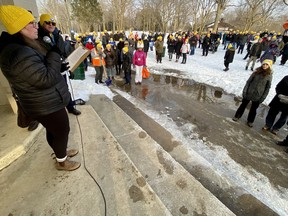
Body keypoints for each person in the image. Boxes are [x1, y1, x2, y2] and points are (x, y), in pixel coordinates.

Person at [0, 5, 80, 170]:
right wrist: (55, 55)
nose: (37, 26)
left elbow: (39, 70)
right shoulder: (18, 54)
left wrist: (58, 67)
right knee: (61, 130)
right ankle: (62, 162)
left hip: (44, 100)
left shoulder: (24, 46)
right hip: (44, 103)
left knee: (54, 130)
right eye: (31, 24)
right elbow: (44, 79)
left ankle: (60, 152)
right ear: (19, 28)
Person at [38, 14, 84, 116]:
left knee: (65, 88)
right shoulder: (38, 37)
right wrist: (57, 66)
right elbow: (43, 56)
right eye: (47, 22)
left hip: (60, 68)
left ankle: (70, 107)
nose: (51, 25)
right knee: (55, 91)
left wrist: (68, 68)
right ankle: (59, 112)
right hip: (49, 70)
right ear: (41, 23)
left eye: (53, 23)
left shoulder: (57, 35)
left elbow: (62, 52)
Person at [232, 59, 273, 127]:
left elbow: (267, 88)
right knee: (243, 105)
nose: (265, 66)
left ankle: (250, 121)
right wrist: (245, 91)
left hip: (258, 95)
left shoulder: (269, 75)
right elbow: (248, 82)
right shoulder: (256, 72)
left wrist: (263, 97)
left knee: (253, 109)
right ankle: (237, 116)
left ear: (269, 66)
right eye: (264, 64)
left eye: (266, 65)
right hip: (249, 92)